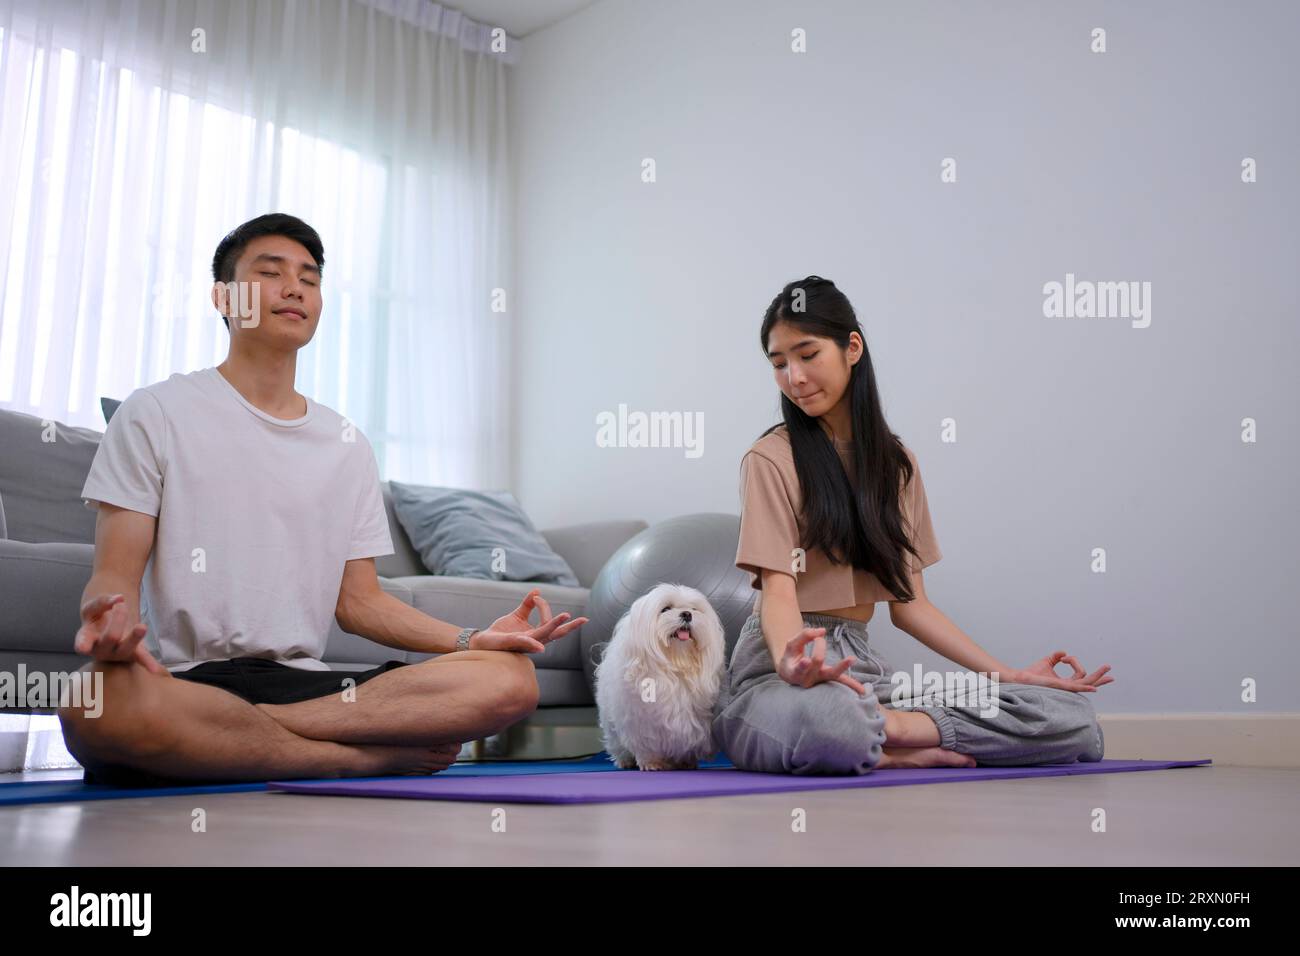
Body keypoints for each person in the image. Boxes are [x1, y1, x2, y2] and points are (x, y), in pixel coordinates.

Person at [57, 213, 587, 786]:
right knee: (92, 701)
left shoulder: (344, 442)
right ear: (223, 297)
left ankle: (241, 739)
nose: (295, 289)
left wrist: (470, 639)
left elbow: (360, 603)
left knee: (508, 680)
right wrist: (110, 617)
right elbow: (114, 576)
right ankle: (350, 760)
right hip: (191, 681)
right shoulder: (155, 412)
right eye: (272, 273)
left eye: (309, 280)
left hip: (310, 685)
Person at [712, 276, 1113, 775]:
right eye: (778, 364)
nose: (793, 376)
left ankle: (893, 735)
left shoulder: (896, 465)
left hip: (864, 673)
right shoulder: (770, 459)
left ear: (851, 348)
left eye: (807, 354)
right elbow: (778, 592)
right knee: (834, 721)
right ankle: (879, 734)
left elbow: (912, 607)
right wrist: (795, 661)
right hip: (777, 673)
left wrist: (1009, 677)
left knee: (1071, 717)